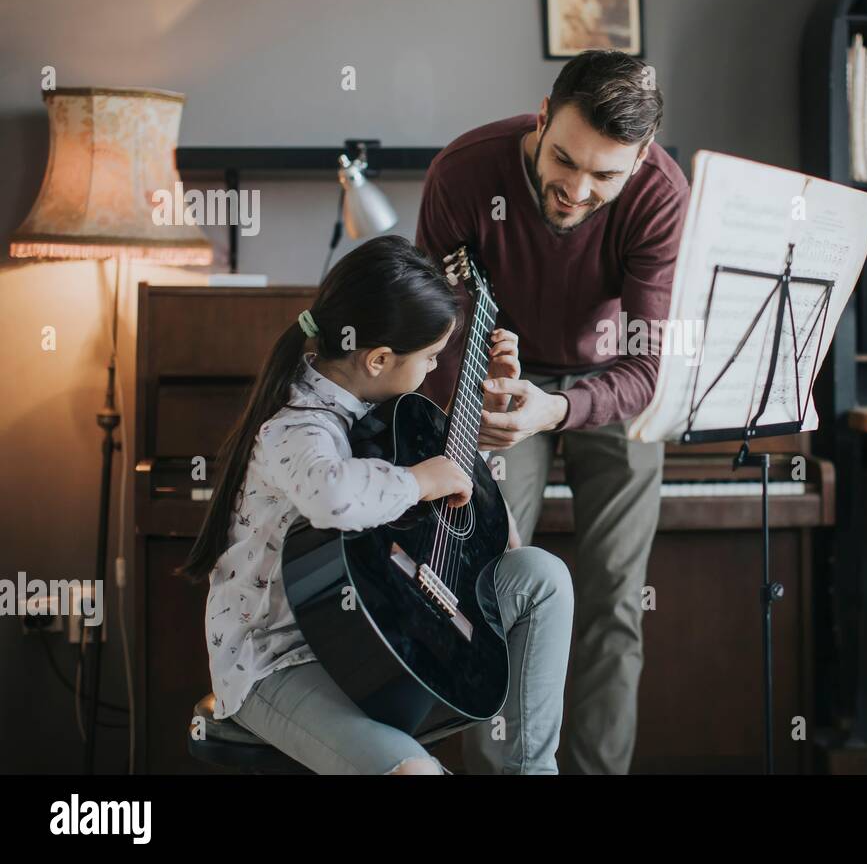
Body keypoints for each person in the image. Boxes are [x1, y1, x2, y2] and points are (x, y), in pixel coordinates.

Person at [178, 235, 574, 774]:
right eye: (431, 358)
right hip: (276, 662)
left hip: (379, 620)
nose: (436, 370)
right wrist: (418, 480)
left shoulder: (381, 405)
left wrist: (476, 424)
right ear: (379, 358)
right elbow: (336, 496)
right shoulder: (296, 427)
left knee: (541, 575)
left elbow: (450, 501)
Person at [417, 49, 690, 773]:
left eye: (606, 175)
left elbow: (647, 368)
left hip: (612, 385)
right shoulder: (464, 174)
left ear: (641, 160)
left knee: (616, 604)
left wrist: (558, 408)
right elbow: (431, 330)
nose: (576, 189)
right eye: (564, 160)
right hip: (497, 385)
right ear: (542, 118)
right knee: (485, 597)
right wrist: (470, 394)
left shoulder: (661, 194)